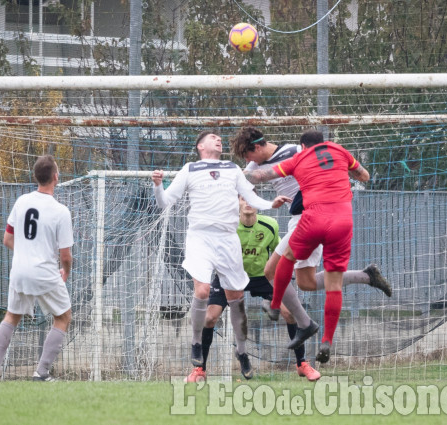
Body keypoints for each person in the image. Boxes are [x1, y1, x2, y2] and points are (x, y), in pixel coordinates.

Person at [152, 131, 291, 382]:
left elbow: (251, 196)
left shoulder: (232, 168)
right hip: (200, 238)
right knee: (203, 291)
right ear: (200, 145)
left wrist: (271, 204)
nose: (218, 140)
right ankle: (195, 344)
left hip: (228, 240)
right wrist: (158, 185)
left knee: (236, 299)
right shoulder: (190, 169)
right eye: (213, 137)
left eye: (219, 137)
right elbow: (165, 202)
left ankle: (242, 351)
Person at [242, 129, 373, 364]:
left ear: (303, 146)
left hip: (309, 218)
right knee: (309, 282)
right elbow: (364, 176)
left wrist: (229, 174)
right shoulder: (339, 150)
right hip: (343, 220)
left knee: (278, 266)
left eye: (248, 156)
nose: (248, 162)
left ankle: (290, 315)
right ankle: (326, 335)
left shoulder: (297, 155)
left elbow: (261, 177)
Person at [185, 196, 321, 383]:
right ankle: (200, 369)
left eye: (251, 198)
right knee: (210, 317)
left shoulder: (270, 225)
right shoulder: (227, 226)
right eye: (243, 198)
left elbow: (279, 254)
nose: (247, 202)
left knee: (290, 312)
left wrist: (284, 277)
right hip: (231, 276)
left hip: (262, 277)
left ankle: (302, 364)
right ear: (237, 203)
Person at [0, 155, 73, 381]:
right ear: (56, 177)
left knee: (11, 317)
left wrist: (26, 252)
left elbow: (7, 239)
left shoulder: (22, 201)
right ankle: (41, 372)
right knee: (63, 317)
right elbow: (65, 255)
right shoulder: (60, 211)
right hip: (45, 272)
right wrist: (66, 272)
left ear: (36, 177)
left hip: (20, 271)